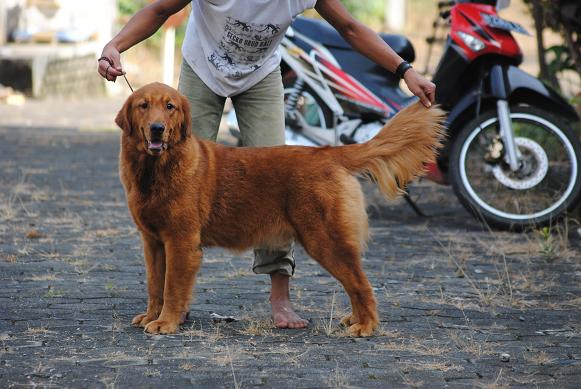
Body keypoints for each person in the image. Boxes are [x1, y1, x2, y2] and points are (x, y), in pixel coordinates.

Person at [98, 0, 436, 330]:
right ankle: (169, 306)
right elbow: (159, 9)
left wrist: (404, 71)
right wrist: (115, 45)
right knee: (177, 210)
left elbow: (349, 27)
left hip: (259, 75)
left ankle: (280, 298)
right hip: (202, 69)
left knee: (281, 182)